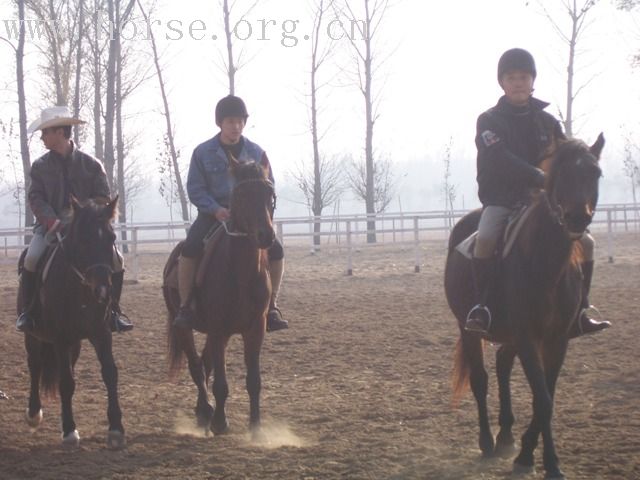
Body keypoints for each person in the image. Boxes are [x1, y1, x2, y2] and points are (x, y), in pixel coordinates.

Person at [465, 48, 611, 337]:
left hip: (543, 201)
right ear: (502, 83)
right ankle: (483, 307)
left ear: (533, 81)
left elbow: (565, 156)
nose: (518, 82)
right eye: (511, 78)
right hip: (502, 199)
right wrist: (538, 176)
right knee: (486, 238)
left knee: (589, 244)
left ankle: (581, 310)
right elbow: (500, 157)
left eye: (523, 77)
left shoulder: (549, 122)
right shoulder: (488, 121)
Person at [173, 95, 289, 332]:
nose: (235, 126)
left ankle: (272, 305)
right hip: (213, 214)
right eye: (230, 121)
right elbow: (195, 188)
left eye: (239, 121)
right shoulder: (202, 152)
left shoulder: (257, 153)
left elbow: (270, 184)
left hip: (249, 217)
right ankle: (186, 306)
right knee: (191, 246)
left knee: (276, 249)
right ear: (220, 123)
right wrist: (215, 209)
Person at [16, 106, 133, 333]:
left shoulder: (92, 165)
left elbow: (102, 197)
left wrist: (83, 219)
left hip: (86, 229)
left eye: (46, 132)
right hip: (50, 227)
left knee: (117, 261)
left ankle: (113, 312)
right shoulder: (40, 167)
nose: (42, 137)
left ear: (60, 132)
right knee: (31, 258)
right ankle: (28, 313)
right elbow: (36, 198)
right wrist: (52, 221)